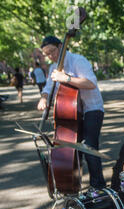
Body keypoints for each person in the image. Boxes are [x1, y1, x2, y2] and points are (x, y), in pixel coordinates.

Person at [37, 35, 106, 190]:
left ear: (61, 46)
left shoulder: (78, 60)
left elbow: (91, 83)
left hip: (92, 108)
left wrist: (66, 78)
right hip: (73, 112)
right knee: (72, 150)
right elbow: (48, 87)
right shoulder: (52, 67)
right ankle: (74, 186)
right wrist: (44, 98)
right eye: (47, 54)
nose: (51, 56)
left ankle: (98, 186)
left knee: (89, 146)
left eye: (52, 52)